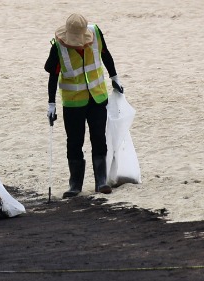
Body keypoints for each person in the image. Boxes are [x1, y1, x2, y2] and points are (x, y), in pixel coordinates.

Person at [46, 12, 124, 196]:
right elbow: (53, 75)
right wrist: (51, 104)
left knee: (98, 137)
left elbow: (106, 55)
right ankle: (75, 185)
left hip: (97, 97)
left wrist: (115, 78)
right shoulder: (58, 46)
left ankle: (101, 182)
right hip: (73, 101)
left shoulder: (95, 33)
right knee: (74, 141)